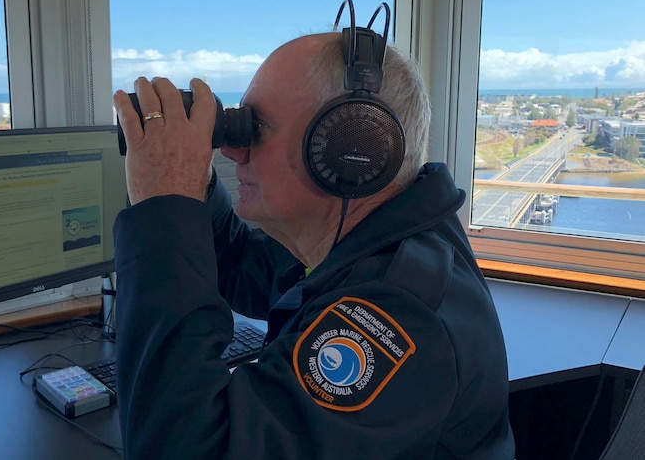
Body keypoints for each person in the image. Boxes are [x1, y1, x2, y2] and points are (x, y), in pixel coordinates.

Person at [112, 29, 515, 459]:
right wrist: (188, 179)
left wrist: (164, 208)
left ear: (353, 148)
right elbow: (240, 268)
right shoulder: (364, 243)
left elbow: (187, 448)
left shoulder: (399, 316)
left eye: (256, 128)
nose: (232, 152)